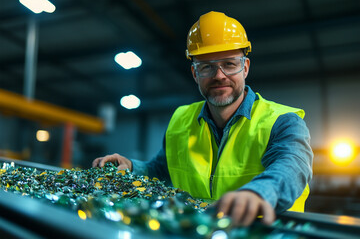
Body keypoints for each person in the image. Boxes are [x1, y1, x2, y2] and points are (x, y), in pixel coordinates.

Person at [92, 11, 313, 226]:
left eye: (229, 64)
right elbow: (160, 170)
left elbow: (292, 168)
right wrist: (131, 167)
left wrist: (256, 194)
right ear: (195, 74)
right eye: (207, 67)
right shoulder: (181, 119)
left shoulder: (282, 121)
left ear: (244, 67)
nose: (219, 75)